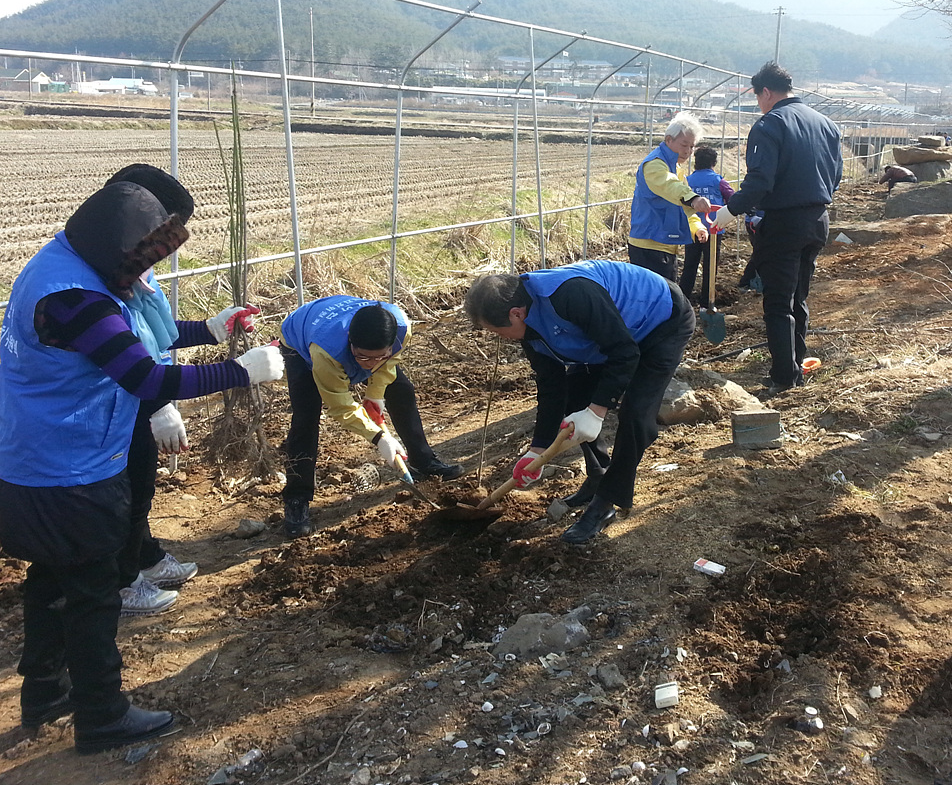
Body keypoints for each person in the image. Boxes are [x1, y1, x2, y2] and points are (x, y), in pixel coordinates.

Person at [0, 182, 284, 752]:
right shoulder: (77, 299)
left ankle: (44, 692)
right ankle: (102, 715)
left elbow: (131, 341)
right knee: (95, 593)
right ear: (118, 245)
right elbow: (144, 376)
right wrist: (241, 372)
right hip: (69, 468)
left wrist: (209, 330)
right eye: (141, 260)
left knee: (52, 578)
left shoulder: (64, 262)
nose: (142, 274)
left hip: (31, 458)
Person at [102, 165, 260, 617]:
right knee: (128, 489)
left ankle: (144, 558)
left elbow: (156, 334)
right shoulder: (100, 280)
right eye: (164, 229)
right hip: (114, 402)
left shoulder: (127, 266)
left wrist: (211, 329)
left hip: (130, 398)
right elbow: (129, 358)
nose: (166, 245)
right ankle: (123, 581)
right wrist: (159, 403)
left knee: (141, 484)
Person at [463, 259, 695, 545]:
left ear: (515, 314)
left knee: (636, 415)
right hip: (609, 336)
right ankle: (598, 475)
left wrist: (597, 412)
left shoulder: (570, 295)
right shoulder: (528, 326)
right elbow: (551, 386)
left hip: (660, 321)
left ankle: (606, 502)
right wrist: (538, 449)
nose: (502, 338)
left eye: (498, 332)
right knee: (575, 398)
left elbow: (624, 353)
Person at [277, 295, 461, 538]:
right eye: (363, 357)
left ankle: (423, 461)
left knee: (402, 389)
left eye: (378, 357)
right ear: (350, 343)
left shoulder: (400, 328)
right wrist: (379, 438)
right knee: (305, 419)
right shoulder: (324, 351)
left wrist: (375, 393)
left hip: (350, 332)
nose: (369, 365)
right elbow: (340, 405)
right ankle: (296, 500)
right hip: (300, 338)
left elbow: (389, 363)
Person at [711, 62, 842, 396]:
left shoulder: (770, 124)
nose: (759, 104)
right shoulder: (825, 124)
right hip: (817, 220)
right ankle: (797, 359)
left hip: (783, 223)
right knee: (799, 295)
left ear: (766, 92)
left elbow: (760, 180)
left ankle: (785, 376)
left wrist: (730, 210)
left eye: (758, 98)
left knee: (778, 301)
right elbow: (836, 175)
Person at [628, 111, 713, 281]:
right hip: (649, 245)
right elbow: (671, 187)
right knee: (656, 297)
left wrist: (697, 227)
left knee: (665, 295)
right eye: (684, 145)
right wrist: (694, 198)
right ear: (668, 140)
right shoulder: (655, 165)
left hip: (666, 245)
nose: (688, 151)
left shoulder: (676, 170)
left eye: (692, 146)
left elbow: (684, 206)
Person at [677, 145, 735, 308]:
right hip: (714, 230)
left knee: (690, 264)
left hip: (693, 228)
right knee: (710, 266)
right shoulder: (718, 181)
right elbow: (732, 199)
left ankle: (684, 299)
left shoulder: (688, 181)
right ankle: (706, 301)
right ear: (713, 163)